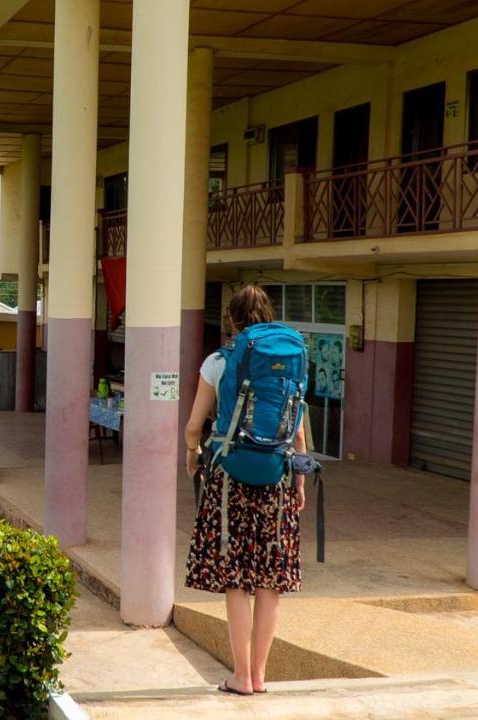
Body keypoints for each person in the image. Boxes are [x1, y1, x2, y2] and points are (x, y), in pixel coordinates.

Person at [183, 284, 307, 696]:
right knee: (271, 580)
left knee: (235, 580)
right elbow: (299, 432)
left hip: (229, 480)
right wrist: (300, 481)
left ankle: (239, 676)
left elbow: (193, 426)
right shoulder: (288, 362)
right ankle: (260, 675)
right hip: (279, 479)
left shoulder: (219, 361)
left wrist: (192, 453)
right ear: (268, 316)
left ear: (232, 321)